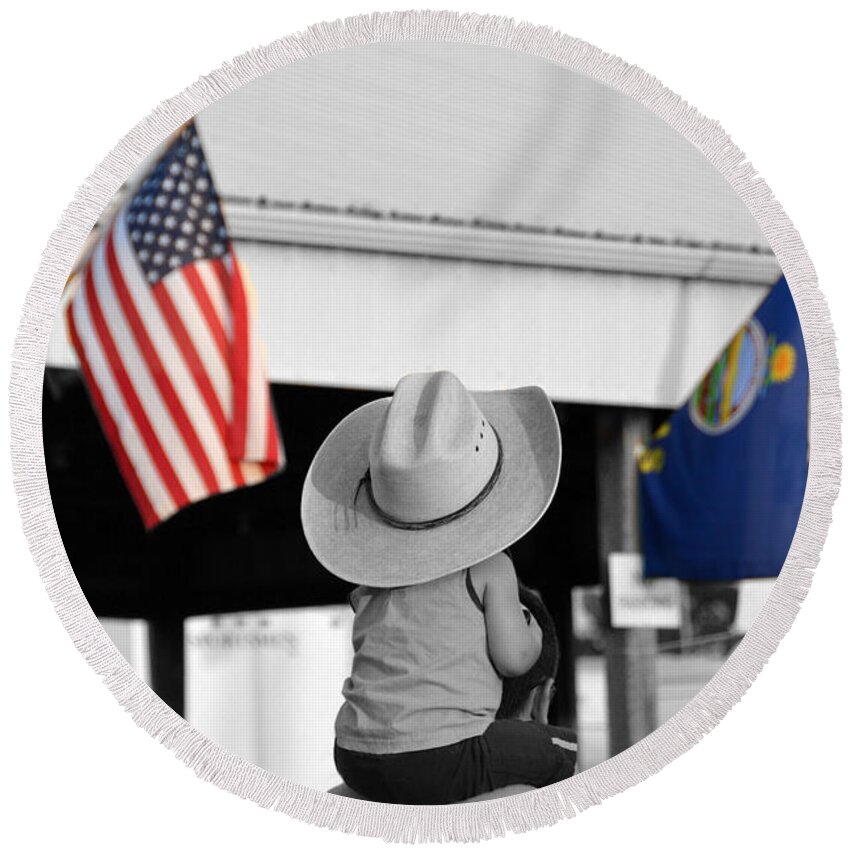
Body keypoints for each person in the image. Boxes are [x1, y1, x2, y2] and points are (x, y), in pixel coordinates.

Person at [302, 370, 577, 804]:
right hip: (439, 759)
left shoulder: (374, 575)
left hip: (354, 754)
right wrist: (533, 634)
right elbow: (513, 659)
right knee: (561, 751)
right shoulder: (491, 566)